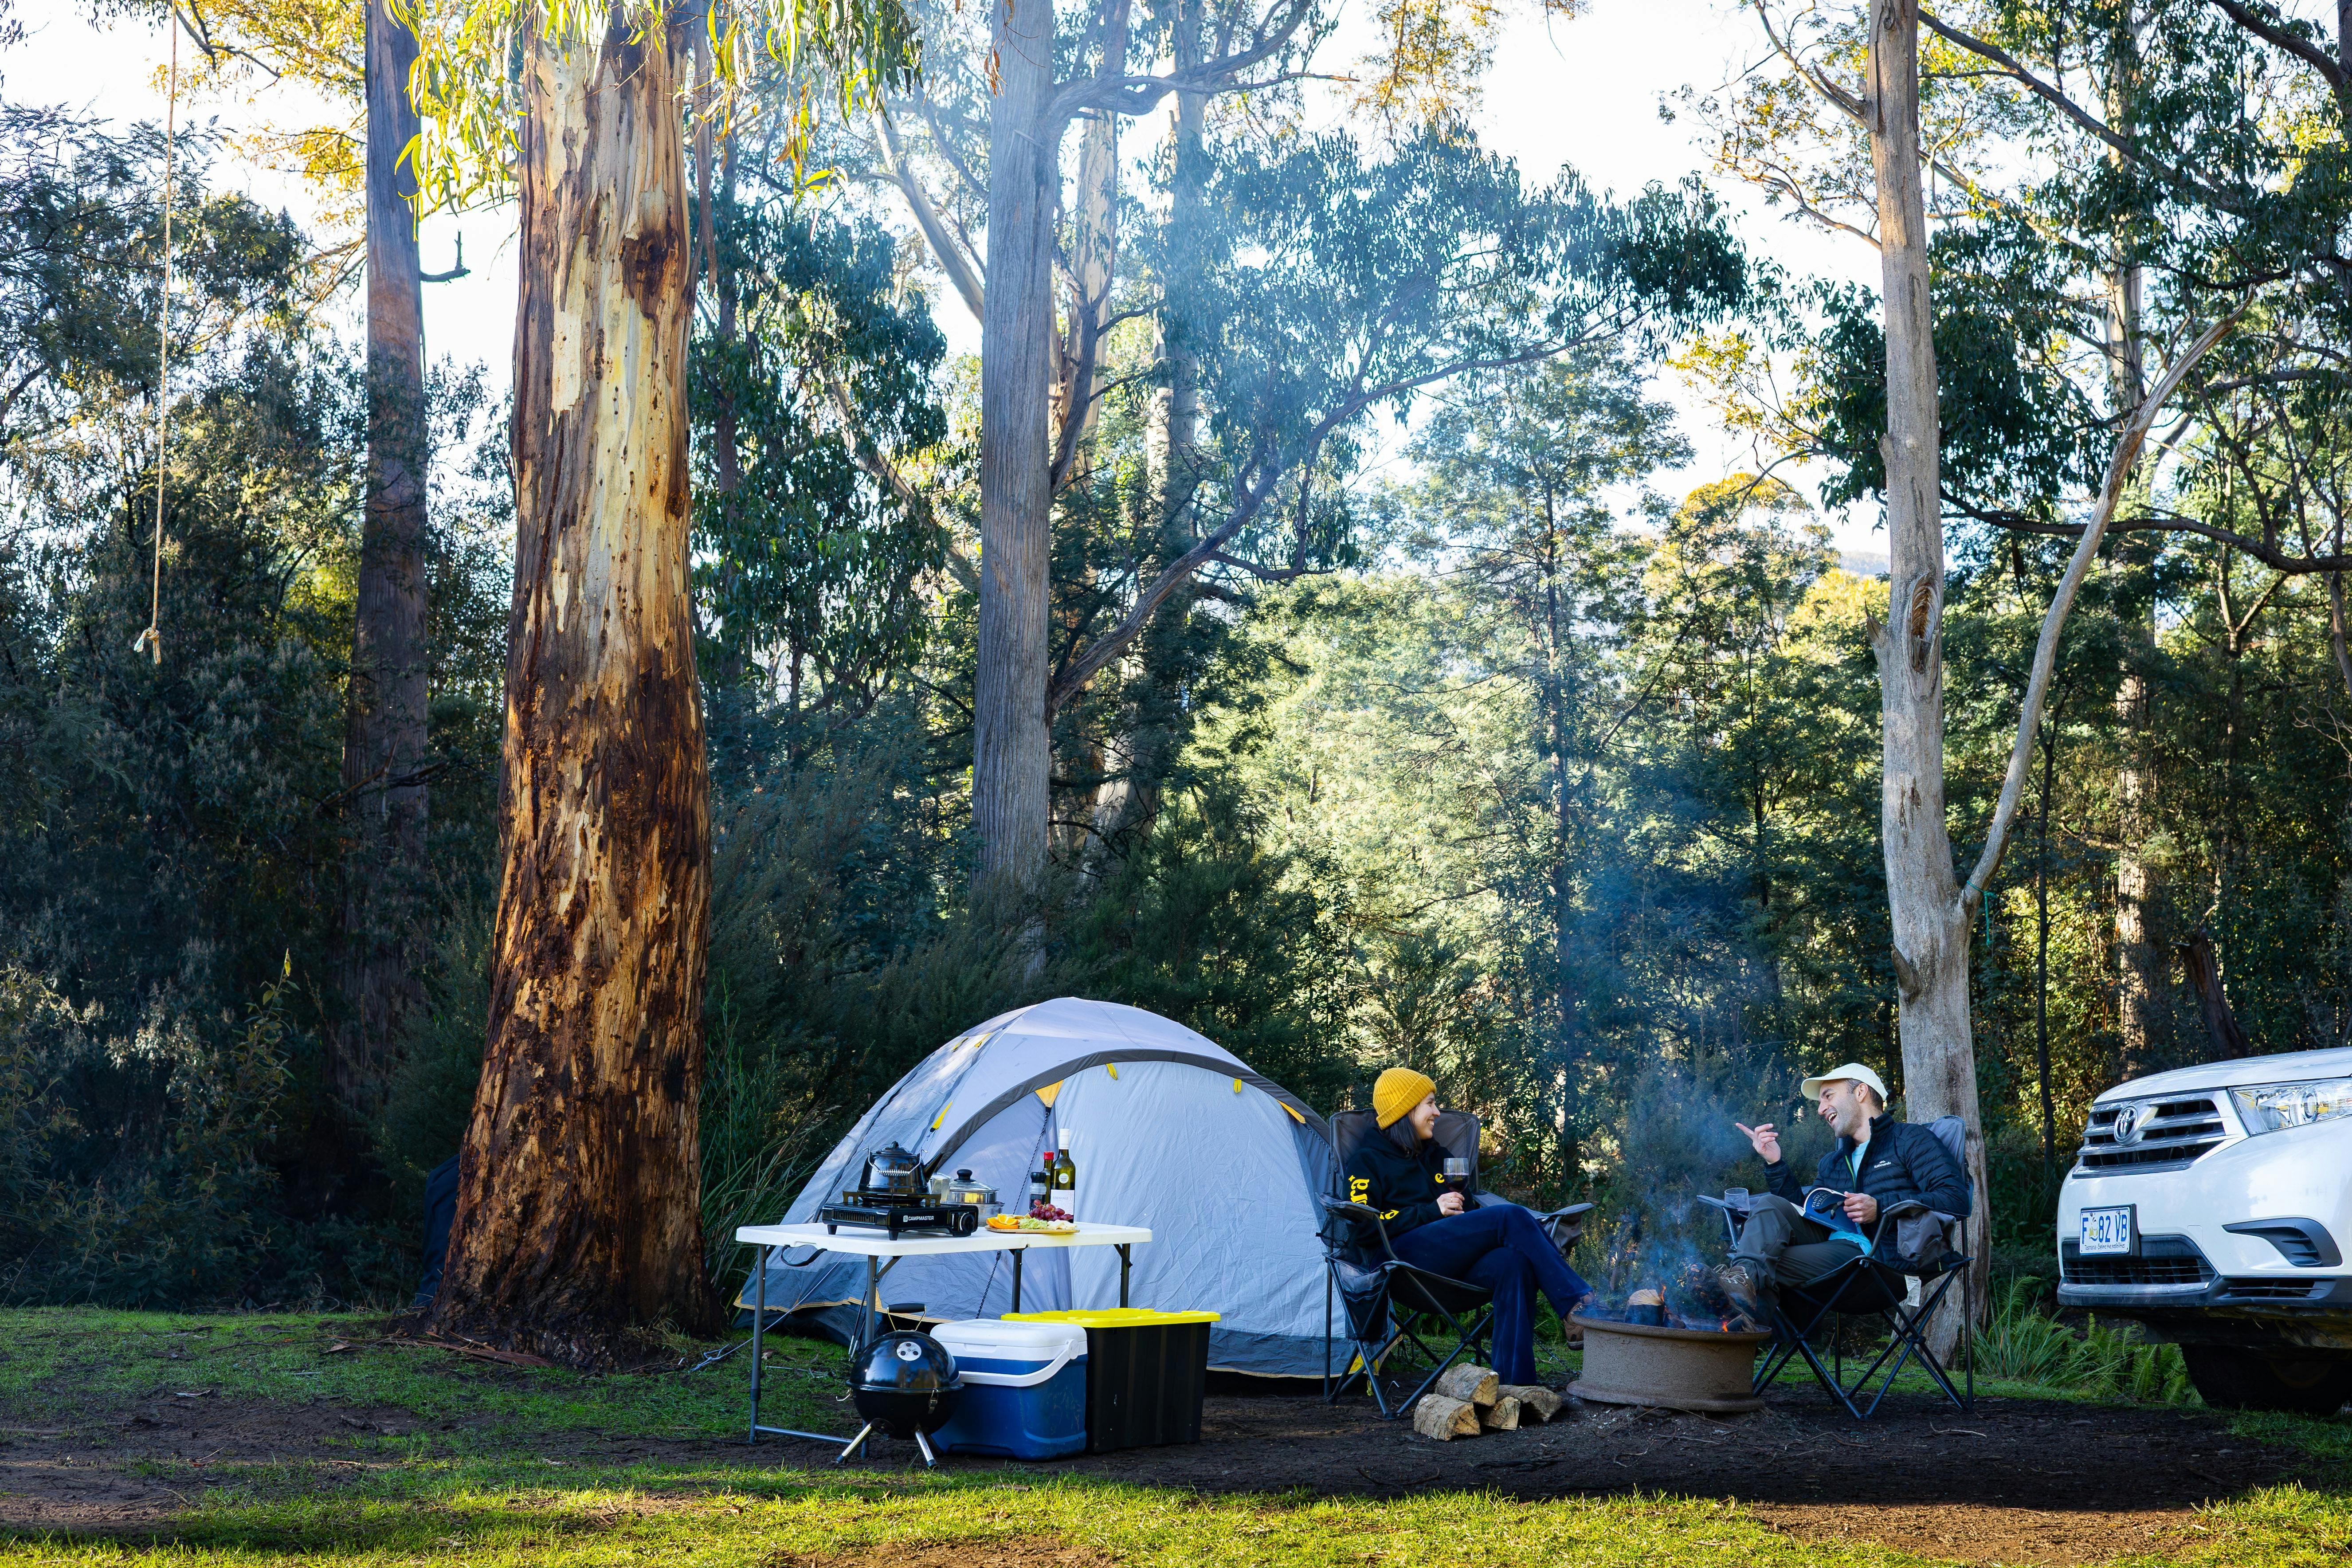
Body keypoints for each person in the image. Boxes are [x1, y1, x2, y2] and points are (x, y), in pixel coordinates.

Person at [1343, 1067, 1595, 1387]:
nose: (1437, 1112)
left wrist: (1465, 1209)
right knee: (1510, 1216)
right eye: (1430, 1104)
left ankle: (1514, 1387)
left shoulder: (1437, 1157)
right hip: (1403, 1265)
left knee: (1513, 1263)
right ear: (1405, 1110)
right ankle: (1578, 1307)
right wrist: (1431, 1210)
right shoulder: (1367, 1161)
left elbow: (1469, 1208)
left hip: (1451, 1263)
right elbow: (1363, 1228)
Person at [1716, 1062, 1969, 1317]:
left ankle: (1739, 1325)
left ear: (1860, 1093)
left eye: (1828, 1096)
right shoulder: (1833, 1162)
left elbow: (1956, 1199)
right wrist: (1775, 1163)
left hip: (1881, 1262)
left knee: (1766, 1263)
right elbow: (1803, 1214)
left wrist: (1880, 1208)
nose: (1820, 1109)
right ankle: (1741, 1304)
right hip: (1831, 1254)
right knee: (1770, 1207)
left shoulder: (1910, 1140)